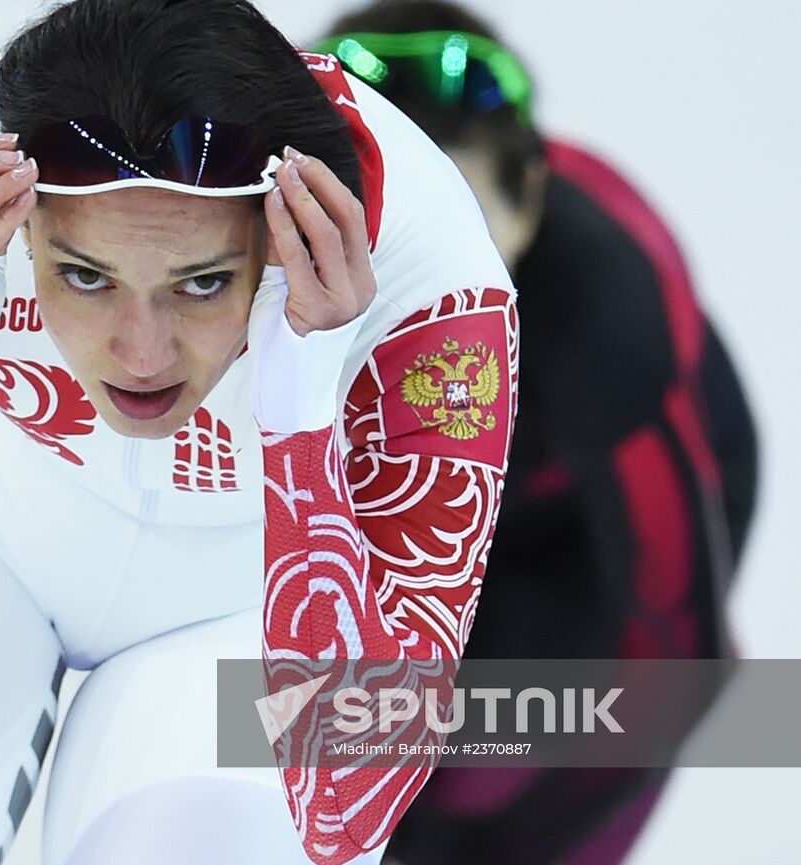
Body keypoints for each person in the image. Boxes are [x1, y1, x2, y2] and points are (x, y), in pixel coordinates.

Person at [0, 1, 520, 863]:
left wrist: (303, 415)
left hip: (236, 609)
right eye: (84, 275)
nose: (141, 353)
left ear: (276, 249)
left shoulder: (433, 293)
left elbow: (349, 805)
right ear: (22, 225)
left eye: (201, 283)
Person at [311, 3, 759, 863]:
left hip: (566, 534)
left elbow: (675, 644)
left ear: (531, 202)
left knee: (474, 767)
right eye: (371, 222)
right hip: (437, 511)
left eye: (456, 232)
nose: (410, 281)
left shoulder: (606, 324)